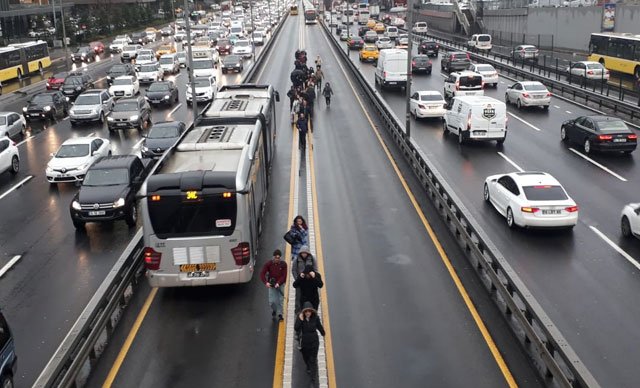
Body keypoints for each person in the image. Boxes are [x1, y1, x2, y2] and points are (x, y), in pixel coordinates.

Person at [295, 302, 326, 384]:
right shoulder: (300, 318)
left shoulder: (315, 318)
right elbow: (296, 328)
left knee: (313, 360)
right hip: (304, 343)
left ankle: (312, 379)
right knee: (306, 357)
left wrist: (323, 333)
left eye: (309, 311)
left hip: (314, 343)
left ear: (312, 311)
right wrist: (300, 320)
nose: (308, 313)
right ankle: (308, 366)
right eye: (306, 311)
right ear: (304, 312)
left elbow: (319, 326)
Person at [259, 249, 287, 321]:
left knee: (280, 300)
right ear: (273, 257)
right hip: (271, 285)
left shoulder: (283, 264)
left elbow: (284, 276)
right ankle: (274, 309)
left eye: (278, 257)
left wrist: (278, 283)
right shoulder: (268, 264)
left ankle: (280, 314)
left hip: (280, 284)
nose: (277, 259)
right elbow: (262, 274)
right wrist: (266, 282)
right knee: (272, 301)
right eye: (276, 257)